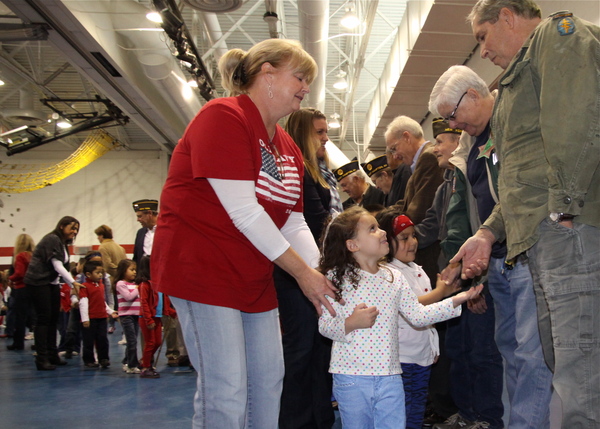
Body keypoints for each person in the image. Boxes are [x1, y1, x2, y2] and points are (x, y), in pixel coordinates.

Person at [151, 38, 339, 428]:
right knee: (227, 388)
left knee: (269, 381)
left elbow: (292, 221)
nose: (306, 88)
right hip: (204, 271)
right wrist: (304, 275)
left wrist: (328, 274)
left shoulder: (286, 143)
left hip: (253, 275)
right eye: (300, 77)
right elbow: (244, 211)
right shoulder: (222, 116)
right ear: (266, 74)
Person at [451, 2, 599, 426]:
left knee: (581, 373)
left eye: (482, 36)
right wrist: (486, 232)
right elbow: (525, 176)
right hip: (545, 236)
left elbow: (580, 119)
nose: (482, 50)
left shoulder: (556, 37)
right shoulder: (520, 76)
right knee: (565, 362)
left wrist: (565, 208)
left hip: (569, 232)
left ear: (508, 18)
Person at [430, 64, 553, 429]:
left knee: (531, 355)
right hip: (496, 261)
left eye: (452, 115)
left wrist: (485, 236)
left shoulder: (514, 123)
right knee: (509, 354)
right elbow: (469, 209)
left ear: (473, 95)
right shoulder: (470, 145)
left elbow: (520, 191)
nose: (452, 126)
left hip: (527, 252)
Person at [317, 206, 482, 429]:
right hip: (352, 378)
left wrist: (458, 299)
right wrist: (351, 323)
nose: (383, 232)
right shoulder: (337, 279)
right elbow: (325, 325)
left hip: (391, 377)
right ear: (353, 245)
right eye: (373, 229)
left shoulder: (393, 277)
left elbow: (418, 315)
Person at [275, 107, 341, 429]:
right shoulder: (296, 172)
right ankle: (296, 421)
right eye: (319, 132)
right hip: (295, 272)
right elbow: (313, 222)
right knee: (301, 351)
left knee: (317, 349)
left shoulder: (315, 171)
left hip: (315, 269)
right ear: (302, 132)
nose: (325, 138)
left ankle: (319, 418)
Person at [376, 208, 460, 429]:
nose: (412, 242)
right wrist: (441, 293)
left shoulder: (415, 268)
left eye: (413, 235)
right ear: (386, 241)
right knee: (402, 411)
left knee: (415, 409)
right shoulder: (387, 272)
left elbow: (428, 310)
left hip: (420, 355)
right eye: (404, 238)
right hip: (403, 357)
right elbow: (411, 307)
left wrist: (446, 293)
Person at [385, 116, 444, 289]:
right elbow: (405, 203)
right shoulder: (418, 163)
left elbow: (418, 211)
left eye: (394, 148)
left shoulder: (429, 158)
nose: (395, 156)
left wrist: (388, 229)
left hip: (429, 250)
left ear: (407, 137)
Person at [24, 216, 83, 371]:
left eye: (76, 228)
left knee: (53, 319)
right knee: (43, 320)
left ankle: (52, 354)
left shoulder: (63, 243)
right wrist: (72, 282)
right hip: (38, 282)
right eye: (72, 227)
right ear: (62, 226)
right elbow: (56, 264)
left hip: (51, 283)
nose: (74, 231)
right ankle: (41, 358)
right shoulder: (52, 239)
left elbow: (60, 267)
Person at [79, 260, 118, 369]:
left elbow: (102, 301)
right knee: (88, 340)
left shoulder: (100, 285)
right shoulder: (84, 286)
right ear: (88, 274)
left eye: (101, 272)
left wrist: (110, 311)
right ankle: (89, 359)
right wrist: (85, 319)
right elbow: (83, 303)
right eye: (97, 272)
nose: (100, 275)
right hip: (91, 318)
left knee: (102, 339)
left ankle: (104, 358)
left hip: (101, 317)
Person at [137, 255, 169, 379]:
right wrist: (148, 319)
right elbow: (144, 303)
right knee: (150, 342)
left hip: (157, 316)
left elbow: (163, 300)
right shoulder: (145, 285)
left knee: (157, 342)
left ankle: (144, 361)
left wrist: (170, 311)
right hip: (148, 318)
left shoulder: (157, 284)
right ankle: (145, 367)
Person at [6, 234, 35, 351]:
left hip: (21, 288)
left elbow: (19, 273)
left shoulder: (20, 256)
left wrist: (10, 278)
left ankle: (18, 343)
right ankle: (39, 342)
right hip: (33, 288)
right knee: (34, 316)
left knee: (20, 317)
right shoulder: (33, 256)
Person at [94, 225, 123, 334]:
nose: (97, 238)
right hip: (122, 280)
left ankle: (111, 325)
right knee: (120, 305)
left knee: (111, 304)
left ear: (101, 236)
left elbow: (107, 265)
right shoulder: (119, 247)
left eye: (98, 236)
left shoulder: (103, 247)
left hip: (111, 280)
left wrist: (117, 274)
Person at [115, 259, 140, 375]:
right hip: (126, 316)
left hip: (135, 316)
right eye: (131, 270)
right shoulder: (121, 284)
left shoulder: (134, 284)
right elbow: (128, 297)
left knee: (133, 340)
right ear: (123, 271)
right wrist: (138, 289)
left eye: (135, 270)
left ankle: (126, 361)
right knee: (132, 341)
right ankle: (132, 365)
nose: (134, 272)